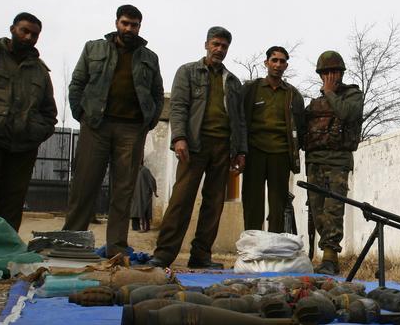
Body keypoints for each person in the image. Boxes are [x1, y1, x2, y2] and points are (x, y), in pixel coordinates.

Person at [64, 4, 164, 257]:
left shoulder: (149, 57)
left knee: (123, 190)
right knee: (84, 185)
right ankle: (71, 244)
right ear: (116, 23)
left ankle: (116, 248)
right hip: (96, 126)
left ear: (140, 27)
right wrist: (82, 115)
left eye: (134, 25)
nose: (129, 28)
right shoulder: (93, 48)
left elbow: (156, 93)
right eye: (125, 23)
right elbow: (77, 84)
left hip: (132, 130)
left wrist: (149, 122)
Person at [148, 26, 246, 269]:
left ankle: (201, 255)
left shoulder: (233, 82)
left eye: (224, 46)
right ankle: (164, 254)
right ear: (206, 45)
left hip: (223, 147)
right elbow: (178, 107)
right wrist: (179, 138)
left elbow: (240, 119)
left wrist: (240, 150)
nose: (219, 49)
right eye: (216, 44)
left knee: (214, 204)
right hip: (194, 145)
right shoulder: (188, 72)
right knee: (181, 200)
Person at [0, 12, 57, 230]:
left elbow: (49, 113)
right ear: (12, 29)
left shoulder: (40, 71)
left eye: (34, 34)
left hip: (22, 147)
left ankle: (5, 246)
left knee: (12, 204)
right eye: (24, 31)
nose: (29, 37)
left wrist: (35, 133)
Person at [304, 51, 364, 275]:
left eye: (335, 72)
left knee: (333, 209)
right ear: (320, 75)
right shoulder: (316, 103)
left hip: (338, 161)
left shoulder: (352, 95)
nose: (331, 76)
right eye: (326, 73)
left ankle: (330, 258)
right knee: (317, 210)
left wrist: (329, 92)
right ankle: (323, 256)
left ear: (342, 73)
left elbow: (347, 114)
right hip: (315, 161)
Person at [241, 46, 305, 233]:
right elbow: (240, 120)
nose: (278, 64)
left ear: (286, 66)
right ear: (266, 63)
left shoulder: (293, 95)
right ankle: (253, 242)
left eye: (282, 61)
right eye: (274, 60)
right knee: (252, 203)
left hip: (281, 154)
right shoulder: (251, 89)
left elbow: (300, 126)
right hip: (254, 152)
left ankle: (274, 244)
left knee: (278, 205)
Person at [130, 162, 157, 232]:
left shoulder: (144, 170)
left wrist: (154, 190)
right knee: (135, 210)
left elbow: (151, 180)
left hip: (143, 194)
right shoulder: (133, 170)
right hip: (136, 194)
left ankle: (145, 227)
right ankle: (136, 226)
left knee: (144, 210)